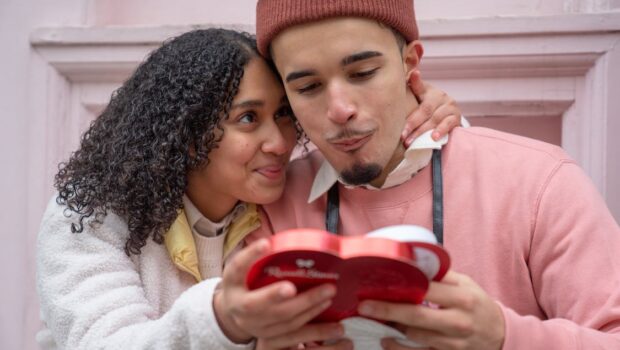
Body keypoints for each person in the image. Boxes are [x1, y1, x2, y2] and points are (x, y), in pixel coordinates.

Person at [211, 1, 620, 349]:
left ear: (410, 64)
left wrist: (502, 336)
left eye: (363, 73)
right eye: (308, 87)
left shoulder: (539, 180)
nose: (340, 109)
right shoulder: (271, 205)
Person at [35, 28, 462, 349]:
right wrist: (222, 318)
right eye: (247, 119)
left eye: (282, 115)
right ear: (185, 132)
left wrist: (422, 112)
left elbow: (390, 165)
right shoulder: (91, 216)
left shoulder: (282, 199)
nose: (279, 143)